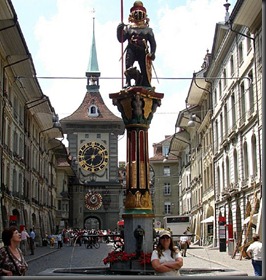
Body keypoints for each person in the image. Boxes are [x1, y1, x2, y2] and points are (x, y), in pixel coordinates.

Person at [117, 1, 156, 88]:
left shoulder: (148, 30)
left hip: (143, 51)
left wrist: (153, 53)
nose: (138, 13)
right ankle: (128, 81)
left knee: (144, 68)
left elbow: (153, 43)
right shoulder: (128, 28)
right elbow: (121, 39)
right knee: (128, 66)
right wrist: (119, 30)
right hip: (132, 49)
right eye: (136, 11)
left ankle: (145, 82)